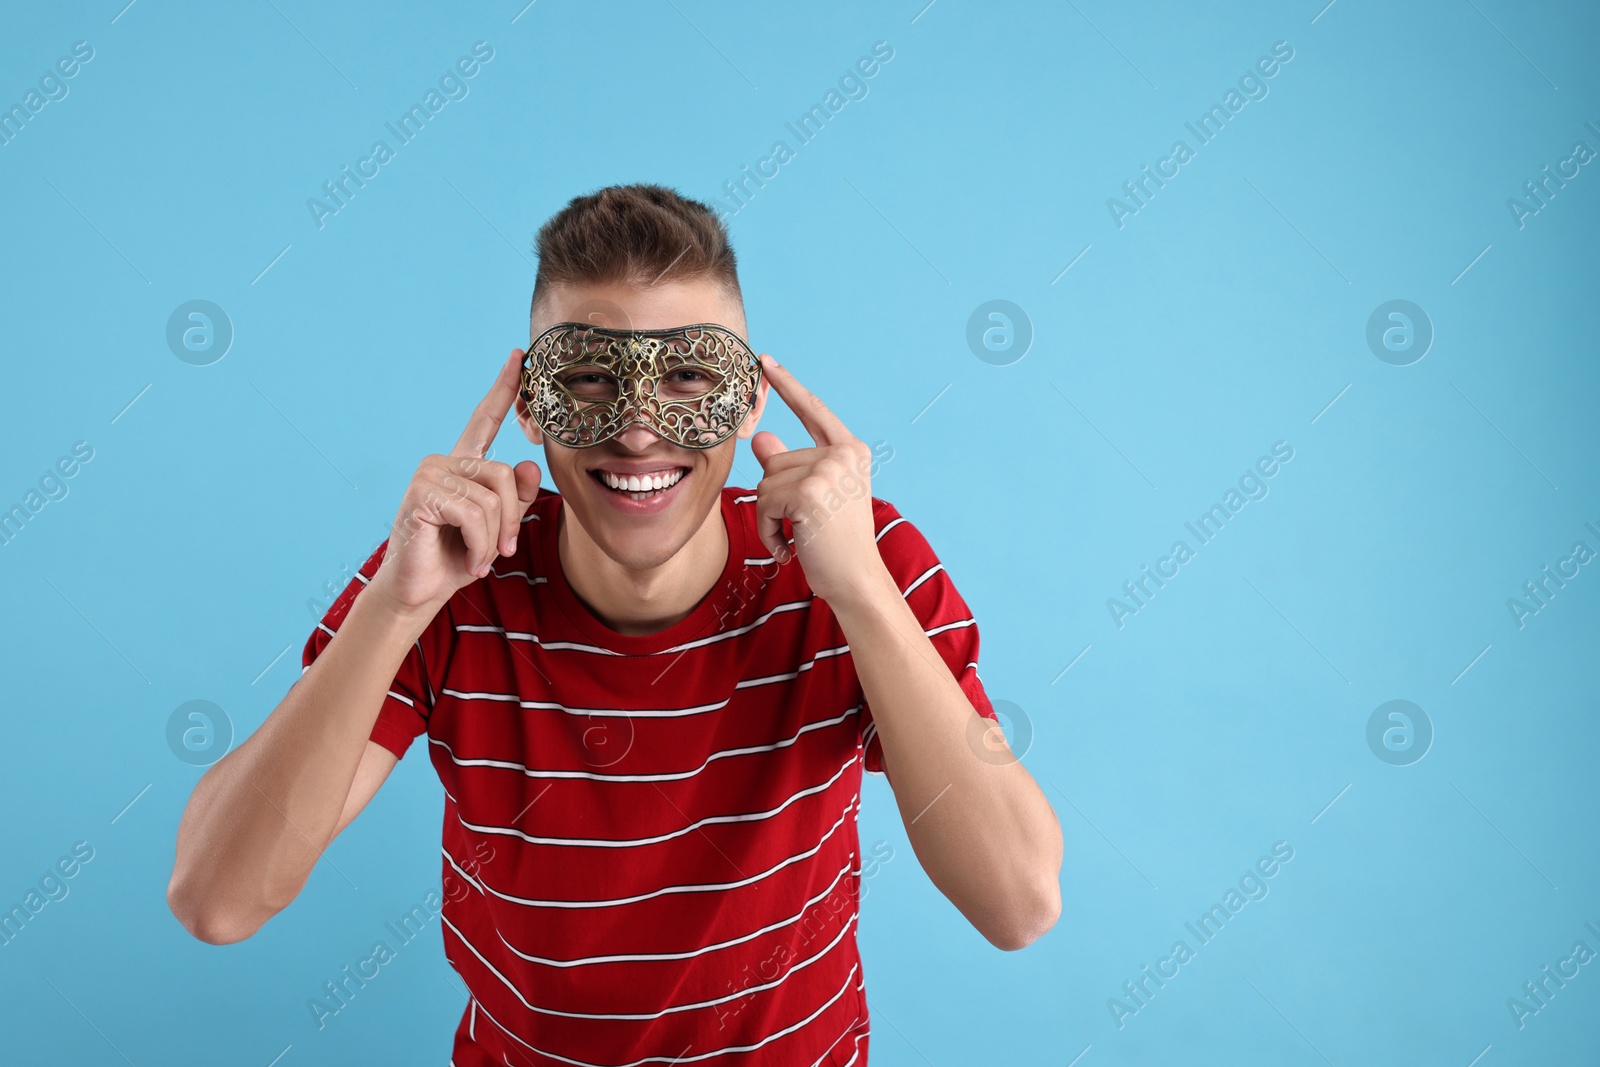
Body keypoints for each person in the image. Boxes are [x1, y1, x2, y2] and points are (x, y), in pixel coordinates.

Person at [167, 183, 1062, 1066]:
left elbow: (1017, 902)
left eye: (688, 376)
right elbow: (216, 899)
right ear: (529, 405)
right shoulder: (450, 574)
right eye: (589, 379)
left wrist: (861, 592)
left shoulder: (865, 560)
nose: (638, 430)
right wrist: (395, 607)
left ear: (751, 401)